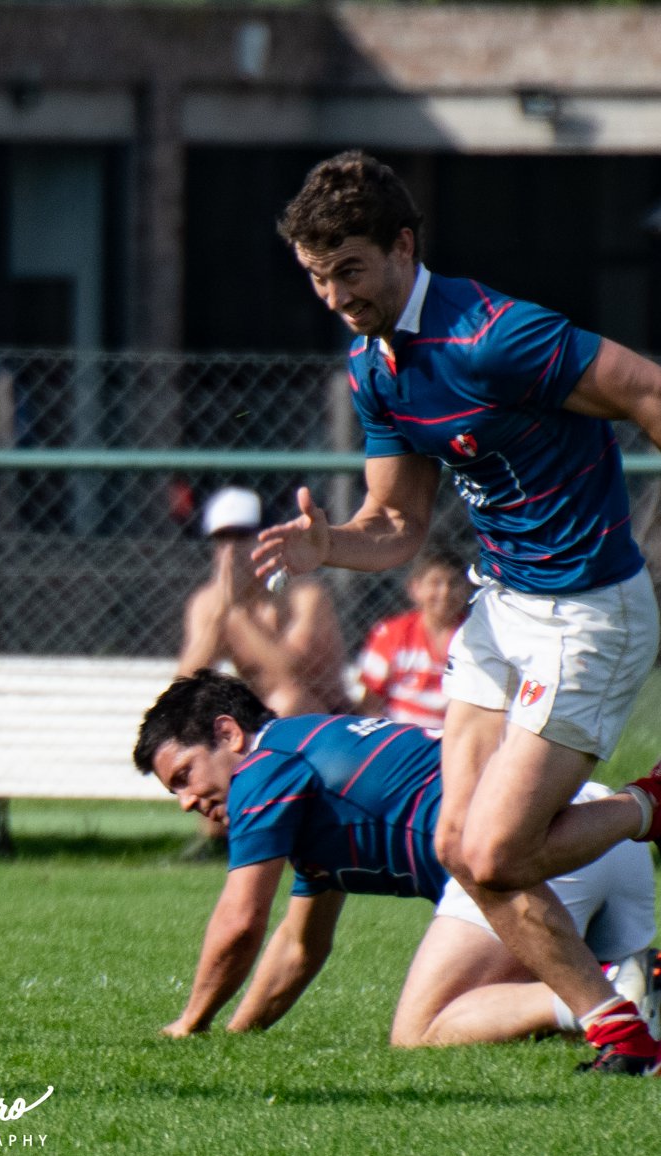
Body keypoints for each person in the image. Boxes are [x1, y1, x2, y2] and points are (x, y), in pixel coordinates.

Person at [257, 149, 661, 1073]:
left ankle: (646, 808)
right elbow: (395, 524)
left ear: (403, 248)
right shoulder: (374, 364)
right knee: (455, 845)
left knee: (495, 851)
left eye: (350, 270)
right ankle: (617, 1024)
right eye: (318, 278)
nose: (336, 297)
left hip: (587, 612)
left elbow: (647, 392)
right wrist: (329, 546)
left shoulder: (495, 335)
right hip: (501, 608)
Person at [136, 672, 657, 1046]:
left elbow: (241, 921)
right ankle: (624, 986)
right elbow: (300, 944)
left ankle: (609, 988)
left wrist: (191, 1022)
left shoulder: (263, 771)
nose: (186, 800)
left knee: (423, 1029)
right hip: (591, 829)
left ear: (228, 733)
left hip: (519, 860)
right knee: (561, 1029)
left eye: (184, 774)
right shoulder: (307, 753)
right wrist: (236, 1036)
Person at [178, 486, 348, 718]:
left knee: (287, 700)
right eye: (222, 538)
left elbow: (291, 676)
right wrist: (220, 615)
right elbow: (184, 683)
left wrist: (239, 613)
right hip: (260, 716)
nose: (232, 548)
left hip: (324, 714)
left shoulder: (305, 596)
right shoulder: (208, 602)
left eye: (242, 536)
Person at [356, 549, 472, 729]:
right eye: (436, 583)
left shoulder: (476, 636)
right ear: (415, 588)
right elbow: (371, 700)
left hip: (455, 733)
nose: (445, 592)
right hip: (401, 736)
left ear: (466, 588)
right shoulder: (391, 633)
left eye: (454, 583)